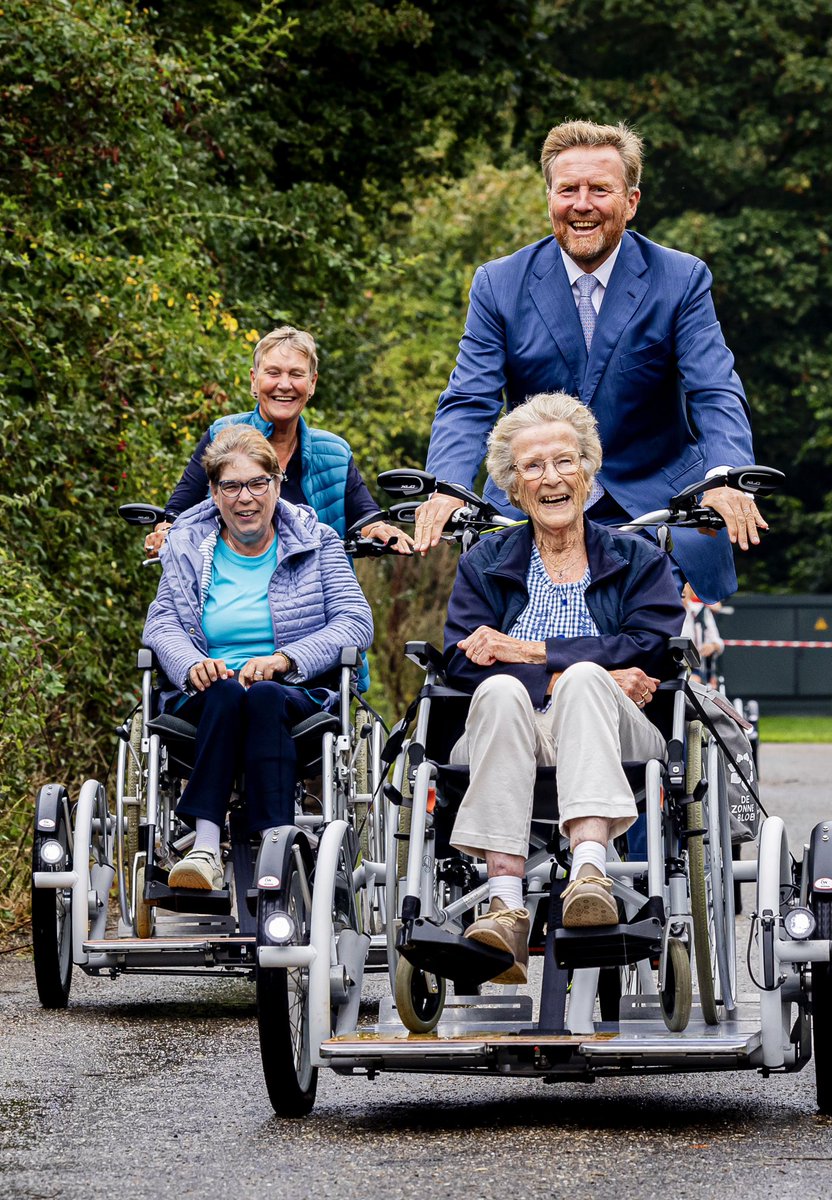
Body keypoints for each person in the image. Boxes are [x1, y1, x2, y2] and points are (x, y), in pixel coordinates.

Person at [414, 119, 766, 604]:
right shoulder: (499, 283)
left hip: (649, 506)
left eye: (600, 189)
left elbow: (714, 388)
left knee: (651, 653)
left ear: (631, 201)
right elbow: (470, 398)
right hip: (534, 501)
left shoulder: (681, 279)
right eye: (568, 190)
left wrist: (725, 478)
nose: (582, 205)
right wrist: (450, 486)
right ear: (550, 199)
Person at [441, 392, 684, 983]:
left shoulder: (637, 558)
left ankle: (590, 876)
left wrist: (530, 652)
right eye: (533, 466)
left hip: (616, 734)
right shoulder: (485, 562)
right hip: (509, 732)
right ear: (513, 487)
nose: (552, 478)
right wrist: (562, 672)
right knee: (499, 692)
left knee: (579, 683)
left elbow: (651, 643)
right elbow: (461, 661)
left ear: (589, 472)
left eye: (565, 461)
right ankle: (504, 905)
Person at [142, 425, 374, 891]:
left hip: (293, 693)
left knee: (265, 694)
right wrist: (191, 663)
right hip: (207, 694)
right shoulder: (187, 544)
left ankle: (274, 841)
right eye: (230, 486)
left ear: (276, 481)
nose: (244, 498)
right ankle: (206, 846)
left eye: (256, 484)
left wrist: (286, 659)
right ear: (213, 492)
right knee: (228, 691)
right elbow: (160, 624)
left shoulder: (317, 540)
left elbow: (355, 621)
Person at [144, 325, 411, 556]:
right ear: (254, 380)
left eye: (296, 374)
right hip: (231, 587)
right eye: (273, 373)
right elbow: (176, 514)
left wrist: (379, 529)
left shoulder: (334, 452)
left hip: (316, 597)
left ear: (312, 383)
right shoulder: (222, 434)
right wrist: (165, 533)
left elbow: (364, 516)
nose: (284, 384)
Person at [681, 581, 724, 688]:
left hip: (694, 667)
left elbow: (719, 642)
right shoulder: (664, 612)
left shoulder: (700, 611)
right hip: (667, 667)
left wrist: (712, 646)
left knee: (693, 682)